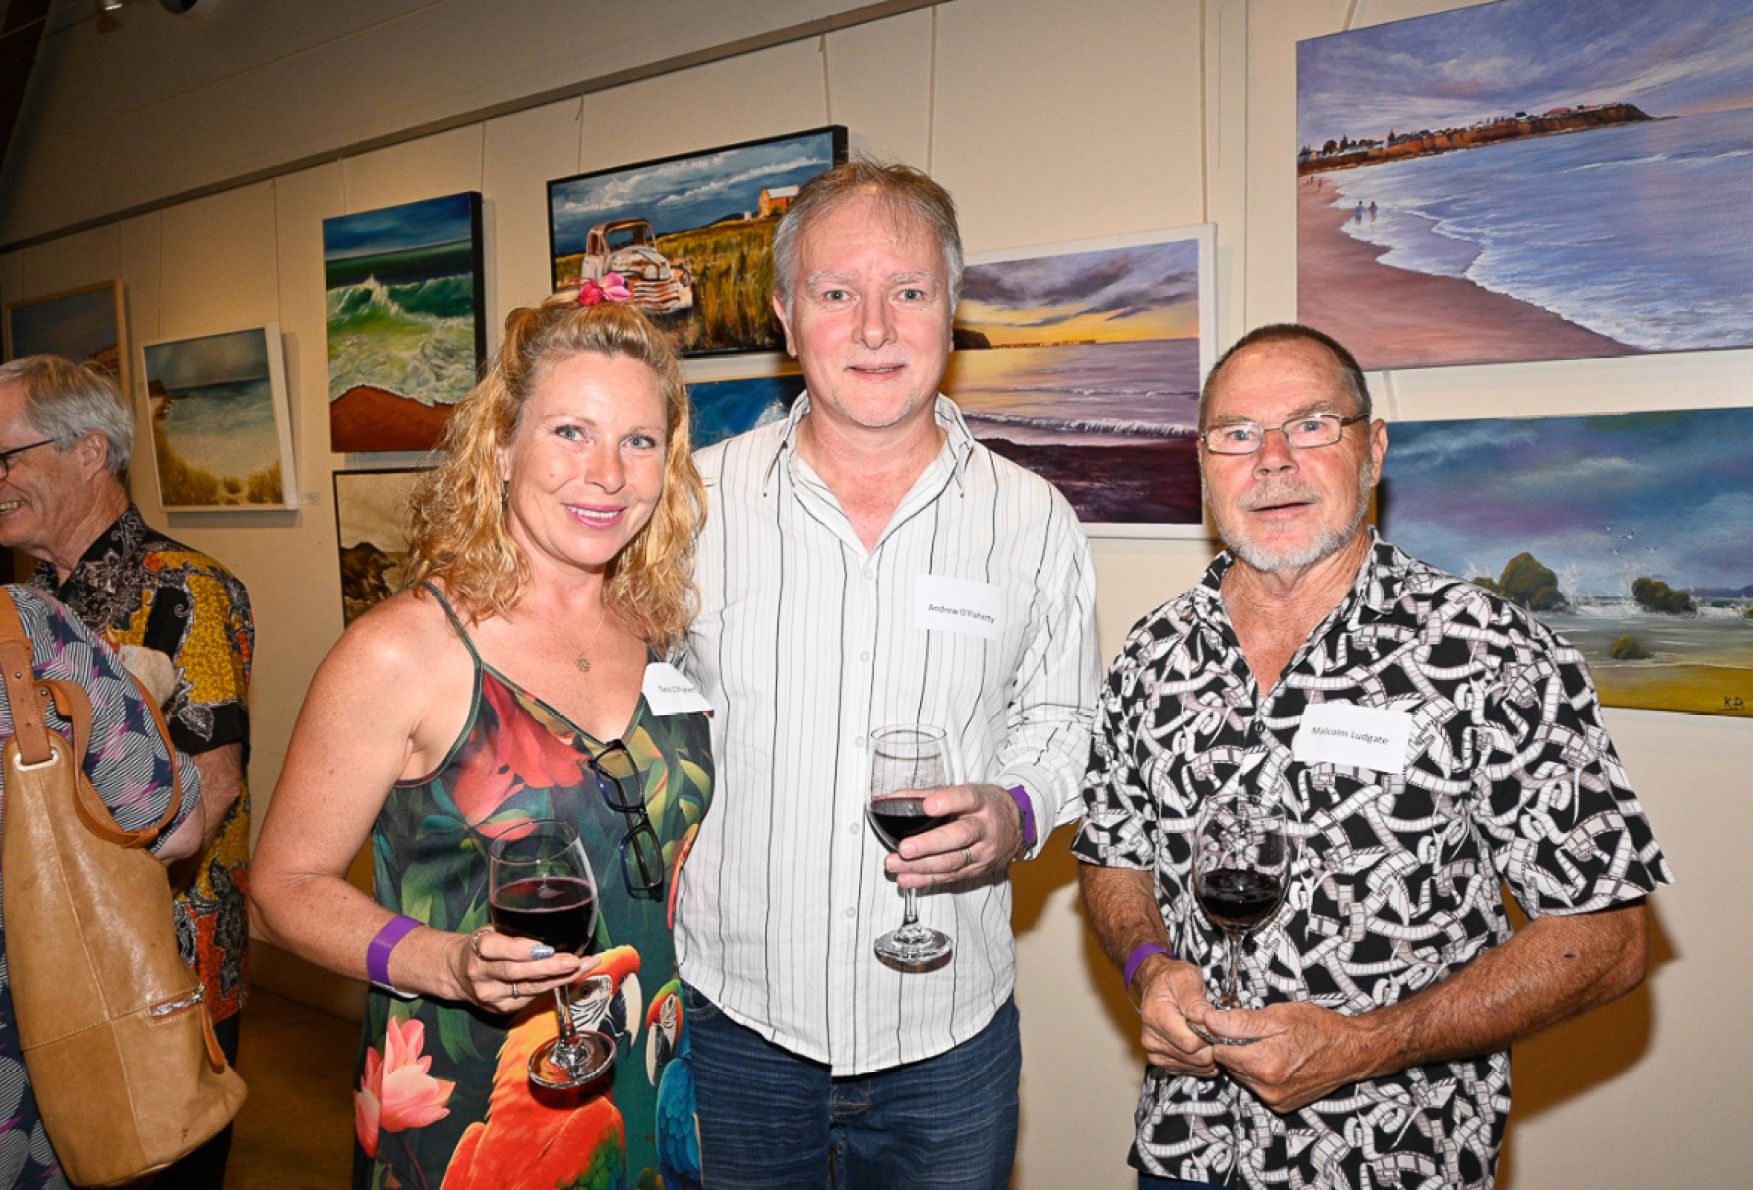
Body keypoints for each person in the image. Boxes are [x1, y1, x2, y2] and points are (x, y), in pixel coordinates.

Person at [1073, 323, 1673, 1188]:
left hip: (1393, 1156)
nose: (1271, 460)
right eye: (1237, 434)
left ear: (1373, 448)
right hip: (1186, 1150)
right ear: (1203, 465)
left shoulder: (1486, 650)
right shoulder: (1154, 650)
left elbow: (1606, 936)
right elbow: (1113, 855)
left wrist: (1366, 1043)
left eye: (1311, 425)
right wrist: (1146, 965)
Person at [675, 160, 1102, 1187]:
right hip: (737, 1025)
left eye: (908, 291)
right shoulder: (687, 505)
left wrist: (1016, 810)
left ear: (950, 311)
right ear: (786, 316)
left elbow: (1065, 720)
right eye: (836, 293)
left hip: (948, 1039)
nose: (874, 327)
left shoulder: (1030, 517)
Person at [250, 298, 712, 1188]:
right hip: (473, 1103)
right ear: (501, 448)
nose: (607, 474)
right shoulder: (404, 650)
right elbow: (279, 890)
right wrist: (448, 964)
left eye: (640, 442)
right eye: (571, 431)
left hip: (649, 1075)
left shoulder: (658, 627)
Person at [0, 355, 254, 1186]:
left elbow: (215, 785)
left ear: (89, 450)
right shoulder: (27, 599)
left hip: (159, 966)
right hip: (51, 959)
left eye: (1, 458)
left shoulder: (185, 590)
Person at [0, 584, 206, 1189]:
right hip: (22, 1084)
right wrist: (138, 695)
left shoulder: (193, 586)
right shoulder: (13, 631)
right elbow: (168, 823)